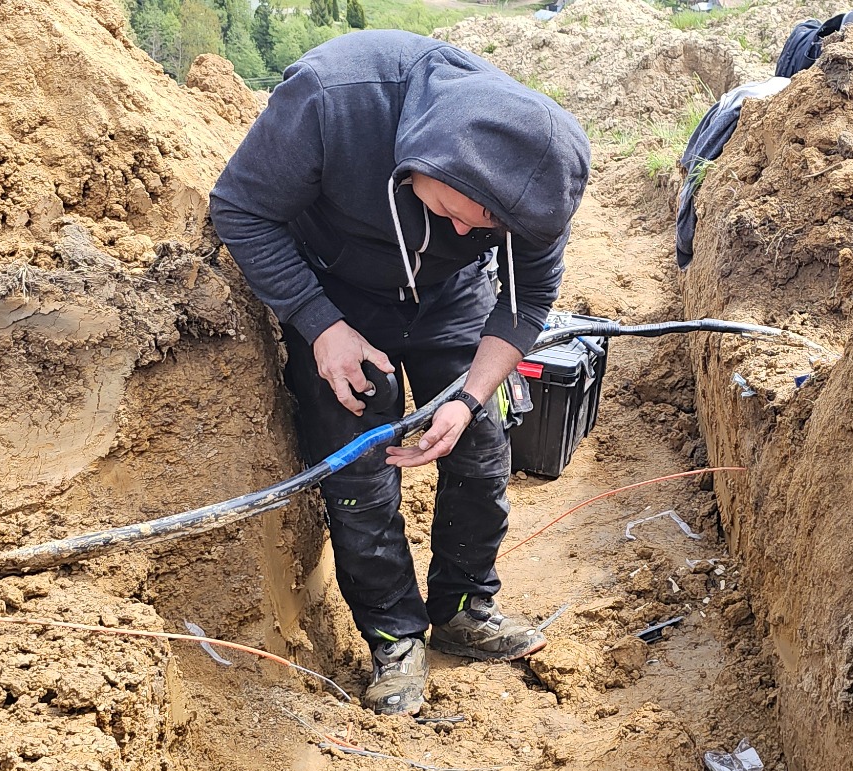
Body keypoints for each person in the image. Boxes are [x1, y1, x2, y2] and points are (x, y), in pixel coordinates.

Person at [208, 31, 591, 716]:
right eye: (454, 215)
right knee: (359, 467)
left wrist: (471, 397)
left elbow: (527, 299)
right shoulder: (333, 100)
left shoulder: (537, 178)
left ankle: (465, 608)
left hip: (449, 294)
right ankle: (394, 637)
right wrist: (318, 323)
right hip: (334, 284)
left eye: (487, 229)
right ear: (429, 159)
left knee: (481, 441)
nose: (470, 231)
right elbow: (240, 206)